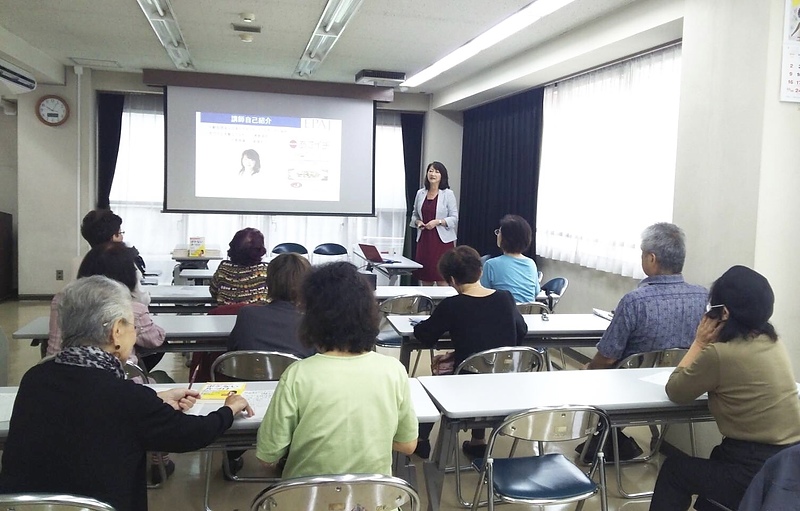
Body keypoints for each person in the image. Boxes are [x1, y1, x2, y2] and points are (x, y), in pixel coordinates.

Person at [0, 276, 253, 511]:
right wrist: (229, 408)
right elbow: (191, 434)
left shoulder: (35, 378)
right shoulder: (127, 399)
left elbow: (90, 409)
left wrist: (154, 400)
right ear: (116, 332)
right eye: (132, 324)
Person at [649, 265, 800, 511]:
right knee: (717, 459)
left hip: (753, 468)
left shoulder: (721, 354)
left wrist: (699, 342)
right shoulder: (774, 342)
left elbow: (675, 391)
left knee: (674, 470)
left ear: (724, 313)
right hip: (789, 465)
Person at [255, 262, 418, 478]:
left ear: (310, 318)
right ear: (369, 313)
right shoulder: (393, 370)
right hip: (375, 500)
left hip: (307, 499)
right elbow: (407, 445)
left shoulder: (298, 375)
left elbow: (268, 455)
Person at [414, 245, 527, 459]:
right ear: (481, 272)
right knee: (481, 369)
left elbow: (425, 335)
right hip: (506, 382)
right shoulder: (505, 297)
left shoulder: (452, 305)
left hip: (466, 385)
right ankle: (478, 441)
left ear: (452, 280)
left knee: (427, 383)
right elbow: (521, 331)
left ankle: (421, 441)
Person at [585, 222, 707, 369]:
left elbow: (607, 358)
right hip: (684, 384)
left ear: (651, 258)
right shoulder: (703, 297)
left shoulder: (634, 302)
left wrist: (589, 369)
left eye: (642, 254)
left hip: (630, 385)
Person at [48, 241, 166, 372]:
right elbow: (155, 340)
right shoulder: (131, 307)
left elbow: (55, 347)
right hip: (123, 378)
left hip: (59, 371)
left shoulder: (63, 300)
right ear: (128, 275)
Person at [228, 253, 313, 357]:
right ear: (308, 285)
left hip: (252, 372)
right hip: (298, 373)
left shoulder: (247, 315)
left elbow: (232, 350)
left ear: (268, 283)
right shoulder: (313, 321)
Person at [81, 208, 149, 305]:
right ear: (113, 237)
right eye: (120, 233)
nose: (122, 237)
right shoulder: (124, 263)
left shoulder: (84, 262)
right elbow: (141, 299)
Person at [410, 161, 459, 285]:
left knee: (442, 277)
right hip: (424, 240)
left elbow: (454, 218)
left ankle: (443, 304)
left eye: (437, 172)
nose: (433, 174)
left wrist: (438, 222)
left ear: (442, 175)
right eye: (430, 171)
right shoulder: (420, 193)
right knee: (425, 277)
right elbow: (414, 214)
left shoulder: (448, 194)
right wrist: (418, 222)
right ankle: (427, 304)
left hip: (441, 241)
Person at [480, 214, 541, 303]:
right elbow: (536, 292)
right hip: (527, 315)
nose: (497, 235)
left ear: (505, 238)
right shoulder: (531, 263)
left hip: (502, 314)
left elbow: (483, 294)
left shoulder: (491, 264)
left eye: (499, 232)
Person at [210, 227, 269, 305]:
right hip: (257, 316)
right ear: (260, 250)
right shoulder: (266, 271)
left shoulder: (223, 268)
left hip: (225, 315)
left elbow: (213, 292)